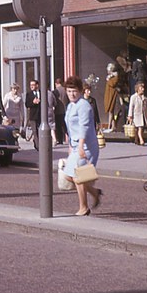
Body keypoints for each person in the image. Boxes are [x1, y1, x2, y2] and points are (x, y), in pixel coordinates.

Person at [62, 76, 101, 216]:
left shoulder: (83, 105)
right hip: (76, 145)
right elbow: (70, 127)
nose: (72, 94)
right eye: (69, 91)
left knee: (78, 176)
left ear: (80, 91)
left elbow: (84, 126)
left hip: (86, 146)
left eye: (74, 91)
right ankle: (94, 192)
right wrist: (70, 145)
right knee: (68, 176)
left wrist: (81, 146)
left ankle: (83, 207)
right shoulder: (70, 106)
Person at [126, 80, 147, 146]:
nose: (143, 89)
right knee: (138, 128)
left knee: (140, 128)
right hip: (136, 115)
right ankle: (141, 140)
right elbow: (131, 107)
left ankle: (137, 139)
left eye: (143, 88)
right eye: (141, 88)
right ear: (137, 89)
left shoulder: (144, 98)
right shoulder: (133, 97)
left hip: (143, 116)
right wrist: (130, 115)